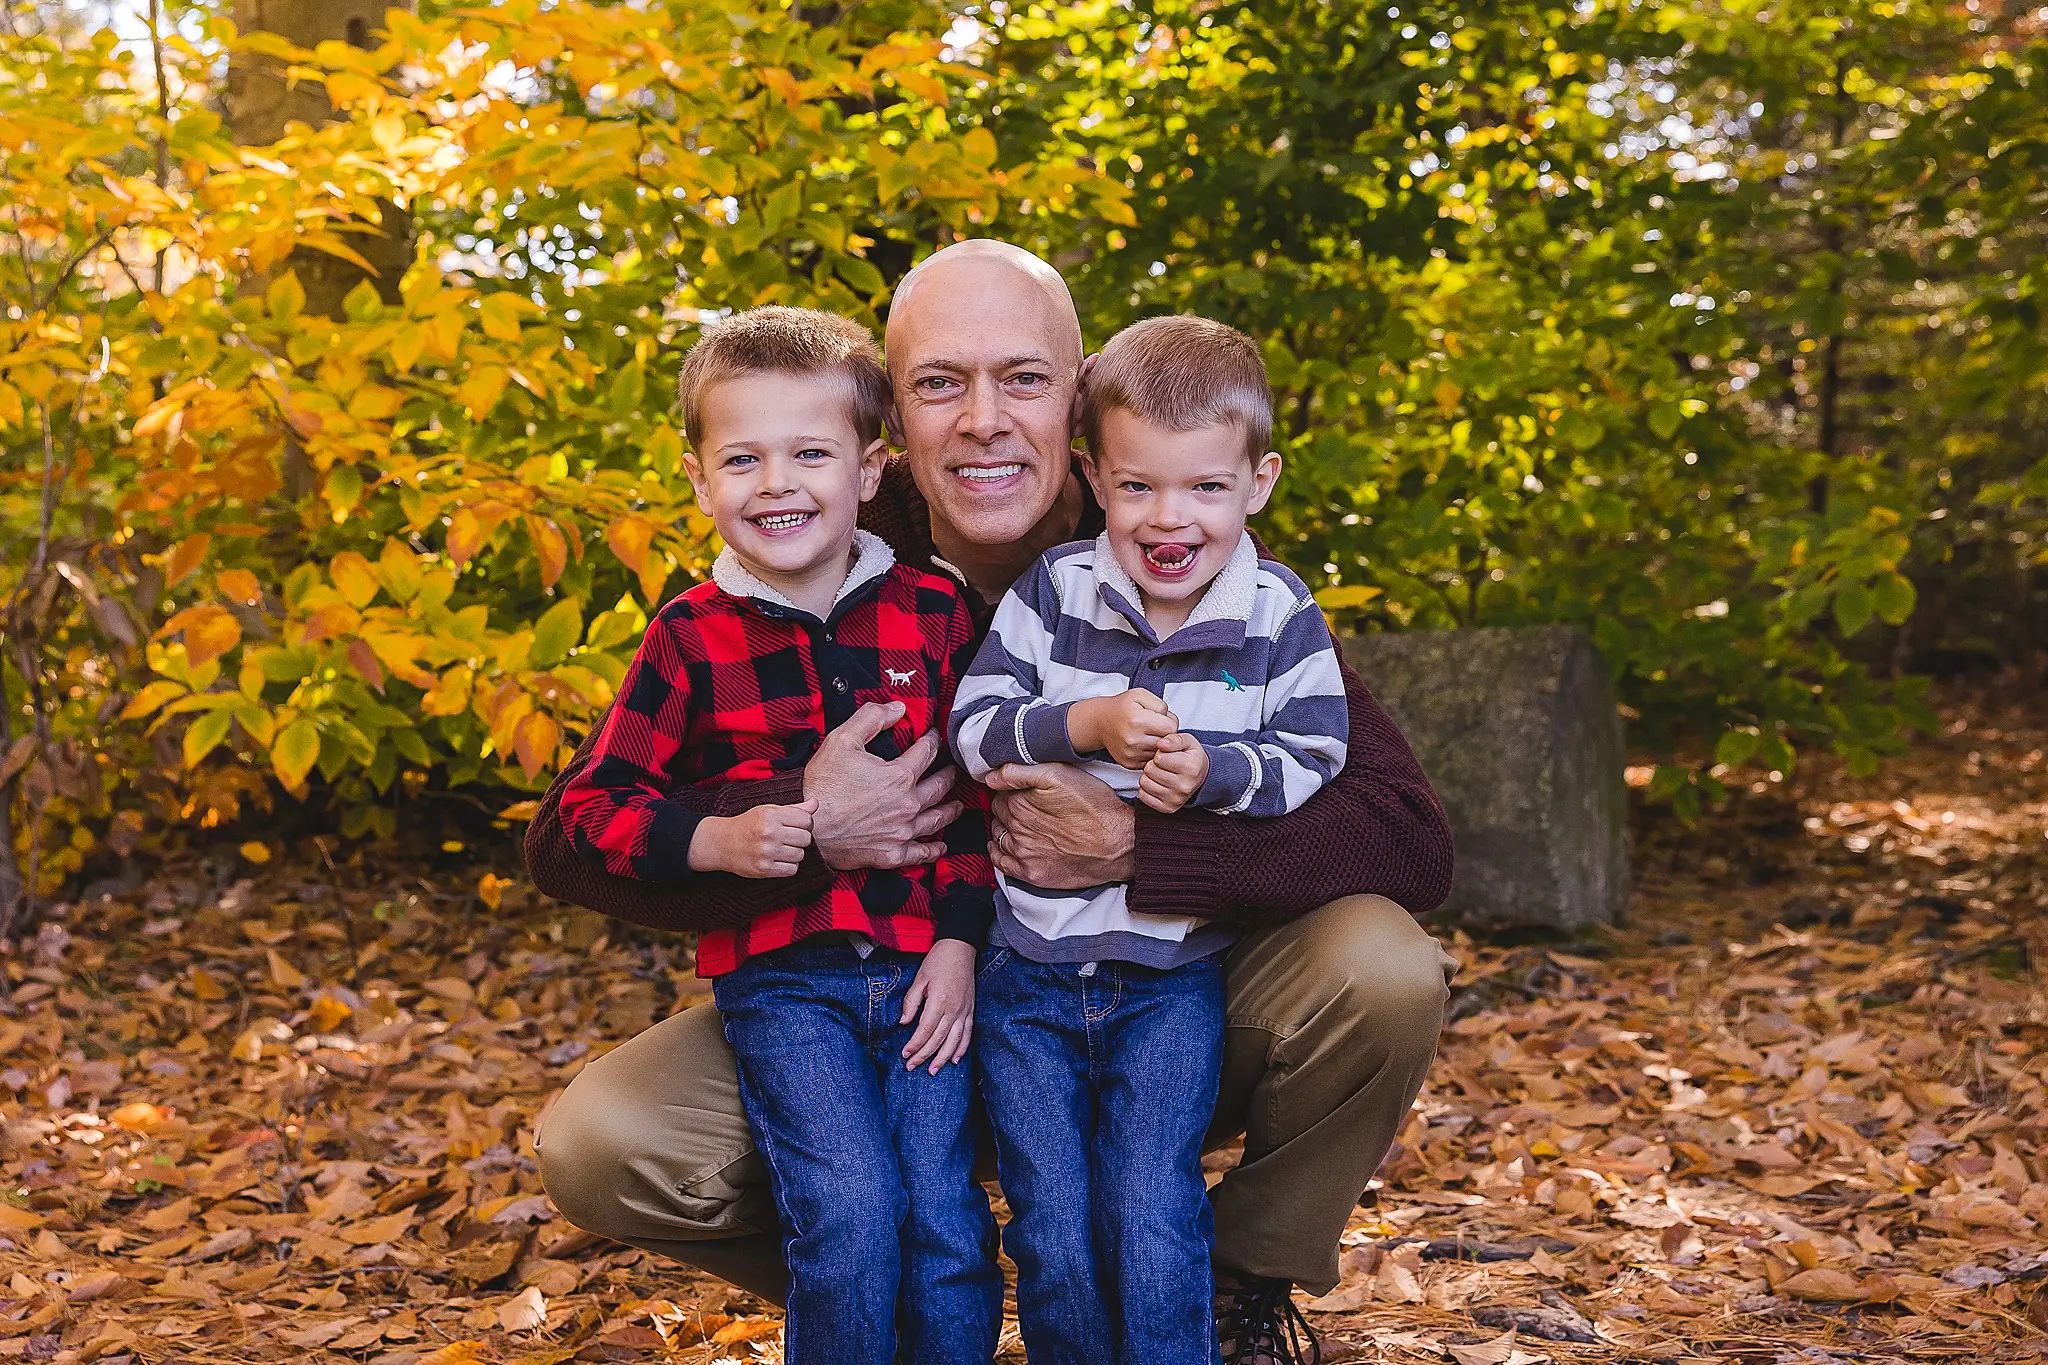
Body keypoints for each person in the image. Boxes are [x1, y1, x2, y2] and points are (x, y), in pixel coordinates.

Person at [525, 240, 1459, 1365]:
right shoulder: (808, 540)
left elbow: (1406, 835)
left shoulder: (1177, 537)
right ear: (885, 430)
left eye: (1020, 377)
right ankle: (902, 1300)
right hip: (872, 1003)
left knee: (1382, 968)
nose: (979, 419)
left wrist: (1142, 851)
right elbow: (570, 841)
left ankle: (1227, 1290)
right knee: (602, 1142)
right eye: (937, 382)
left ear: (1081, 397)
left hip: (1146, 996)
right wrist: (807, 824)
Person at [554, 306, 1001, 1365]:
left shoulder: (931, 608)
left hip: (923, 970)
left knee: (940, 1214)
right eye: (741, 458)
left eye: (810, 452)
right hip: (784, 982)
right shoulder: (689, 633)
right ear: (700, 480)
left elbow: (981, 796)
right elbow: (590, 807)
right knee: (844, 1210)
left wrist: (960, 943)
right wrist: (716, 840)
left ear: (868, 467)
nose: (776, 483)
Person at [948, 314, 1350, 1364]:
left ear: (1257, 482)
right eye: (1136, 487)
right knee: (1051, 1217)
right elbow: (975, 727)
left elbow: (1316, 752)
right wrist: (1079, 724)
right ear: (1091, 477)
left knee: (1147, 1198)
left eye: (1203, 488)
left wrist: (1217, 774)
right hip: (1027, 975)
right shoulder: (1053, 594)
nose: (1167, 517)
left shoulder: (1276, 614)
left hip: (1173, 975)